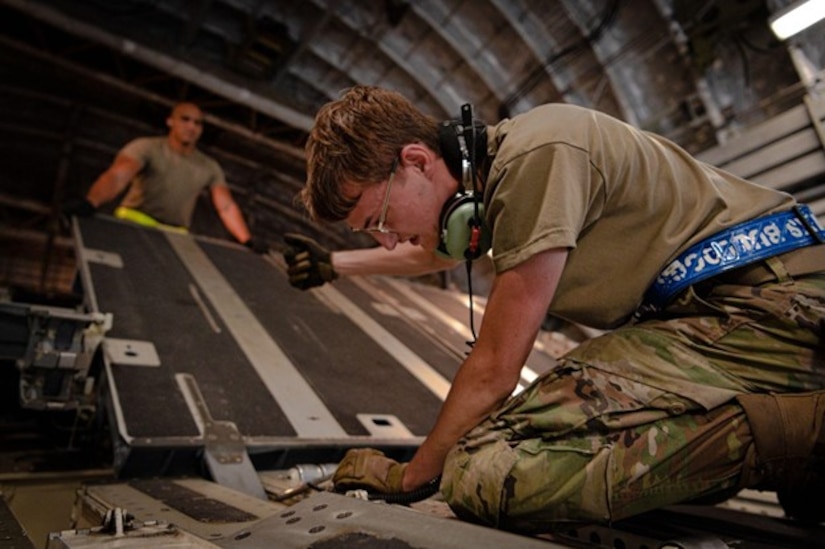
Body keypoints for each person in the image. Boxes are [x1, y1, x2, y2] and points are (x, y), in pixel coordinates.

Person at [285, 85, 825, 533]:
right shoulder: (496, 175)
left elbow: (496, 368)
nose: (386, 240)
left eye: (378, 219)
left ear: (417, 161)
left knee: (482, 471)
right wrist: (336, 264)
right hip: (737, 308)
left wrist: (413, 477)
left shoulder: (535, 160)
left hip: (772, 309)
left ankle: (803, 432)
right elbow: (432, 251)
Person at [65, 102, 267, 253]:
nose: (191, 126)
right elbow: (118, 176)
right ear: (171, 121)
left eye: (197, 123)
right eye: (185, 119)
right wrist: (91, 202)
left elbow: (226, 206)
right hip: (132, 224)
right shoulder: (146, 147)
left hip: (175, 237)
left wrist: (246, 240)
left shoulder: (209, 166)